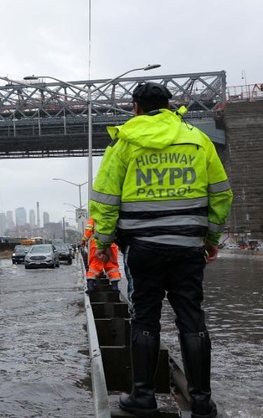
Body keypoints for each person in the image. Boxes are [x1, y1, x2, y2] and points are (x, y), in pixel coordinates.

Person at [89, 81, 232, 418]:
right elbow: (221, 194)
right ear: (170, 106)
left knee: (144, 320)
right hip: (187, 248)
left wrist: (105, 243)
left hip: (143, 249)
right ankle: (201, 402)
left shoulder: (124, 143)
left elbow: (105, 201)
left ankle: (143, 398)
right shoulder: (198, 140)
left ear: (135, 107)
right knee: (192, 320)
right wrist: (210, 239)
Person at [80, 217, 120, 293]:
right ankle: (115, 287)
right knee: (112, 266)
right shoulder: (113, 215)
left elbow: (88, 230)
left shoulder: (94, 217)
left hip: (97, 244)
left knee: (94, 265)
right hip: (111, 244)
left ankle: (91, 285)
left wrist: (84, 239)